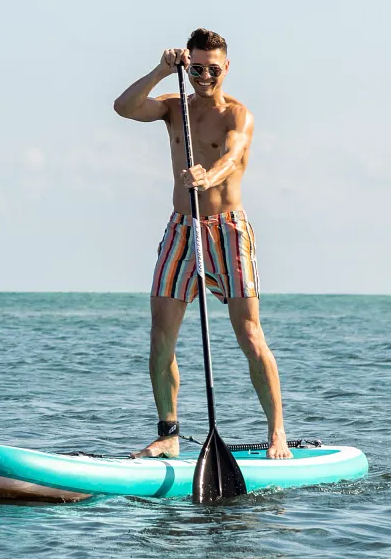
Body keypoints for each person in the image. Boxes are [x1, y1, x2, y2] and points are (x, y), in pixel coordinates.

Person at [112, 28, 289, 460]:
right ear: (186, 66)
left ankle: (277, 434)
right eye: (196, 68)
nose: (204, 76)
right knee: (161, 335)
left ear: (226, 68)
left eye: (213, 69)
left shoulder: (237, 114)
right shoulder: (176, 109)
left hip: (227, 229)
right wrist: (161, 69)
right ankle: (169, 433)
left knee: (249, 333)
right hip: (181, 228)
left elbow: (232, 156)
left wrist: (208, 176)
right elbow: (124, 107)